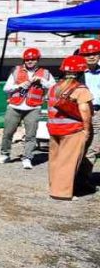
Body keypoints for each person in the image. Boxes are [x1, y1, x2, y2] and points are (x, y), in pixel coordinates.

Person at [0, 48, 54, 169]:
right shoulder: (16, 71)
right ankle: (5, 154)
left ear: (37, 60)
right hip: (15, 105)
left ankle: (27, 157)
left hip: (33, 107)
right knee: (8, 132)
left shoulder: (45, 73)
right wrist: (18, 86)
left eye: (32, 59)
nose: (30, 61)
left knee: (31, 135)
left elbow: (54, 87)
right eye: (27, 59)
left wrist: (42, 81)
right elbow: (6, 88)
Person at [46, 55, 94, 200]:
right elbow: (85, 111)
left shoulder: (55, 87)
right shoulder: (80, 89)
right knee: (68, 161)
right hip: (72, 130)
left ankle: (54, 186)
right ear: (81, 71)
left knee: (55, 159)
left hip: (54, 129)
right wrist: (86, 130)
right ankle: (61, 193)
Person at [80, 39, 100, 162]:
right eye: (87, 54)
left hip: (98, 113)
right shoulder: (76, 73)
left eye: (95, 53)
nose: (91, 56)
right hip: (80, 113)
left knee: (93, 148)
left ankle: (84, 179)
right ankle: (73, 177)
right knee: (79, 145)